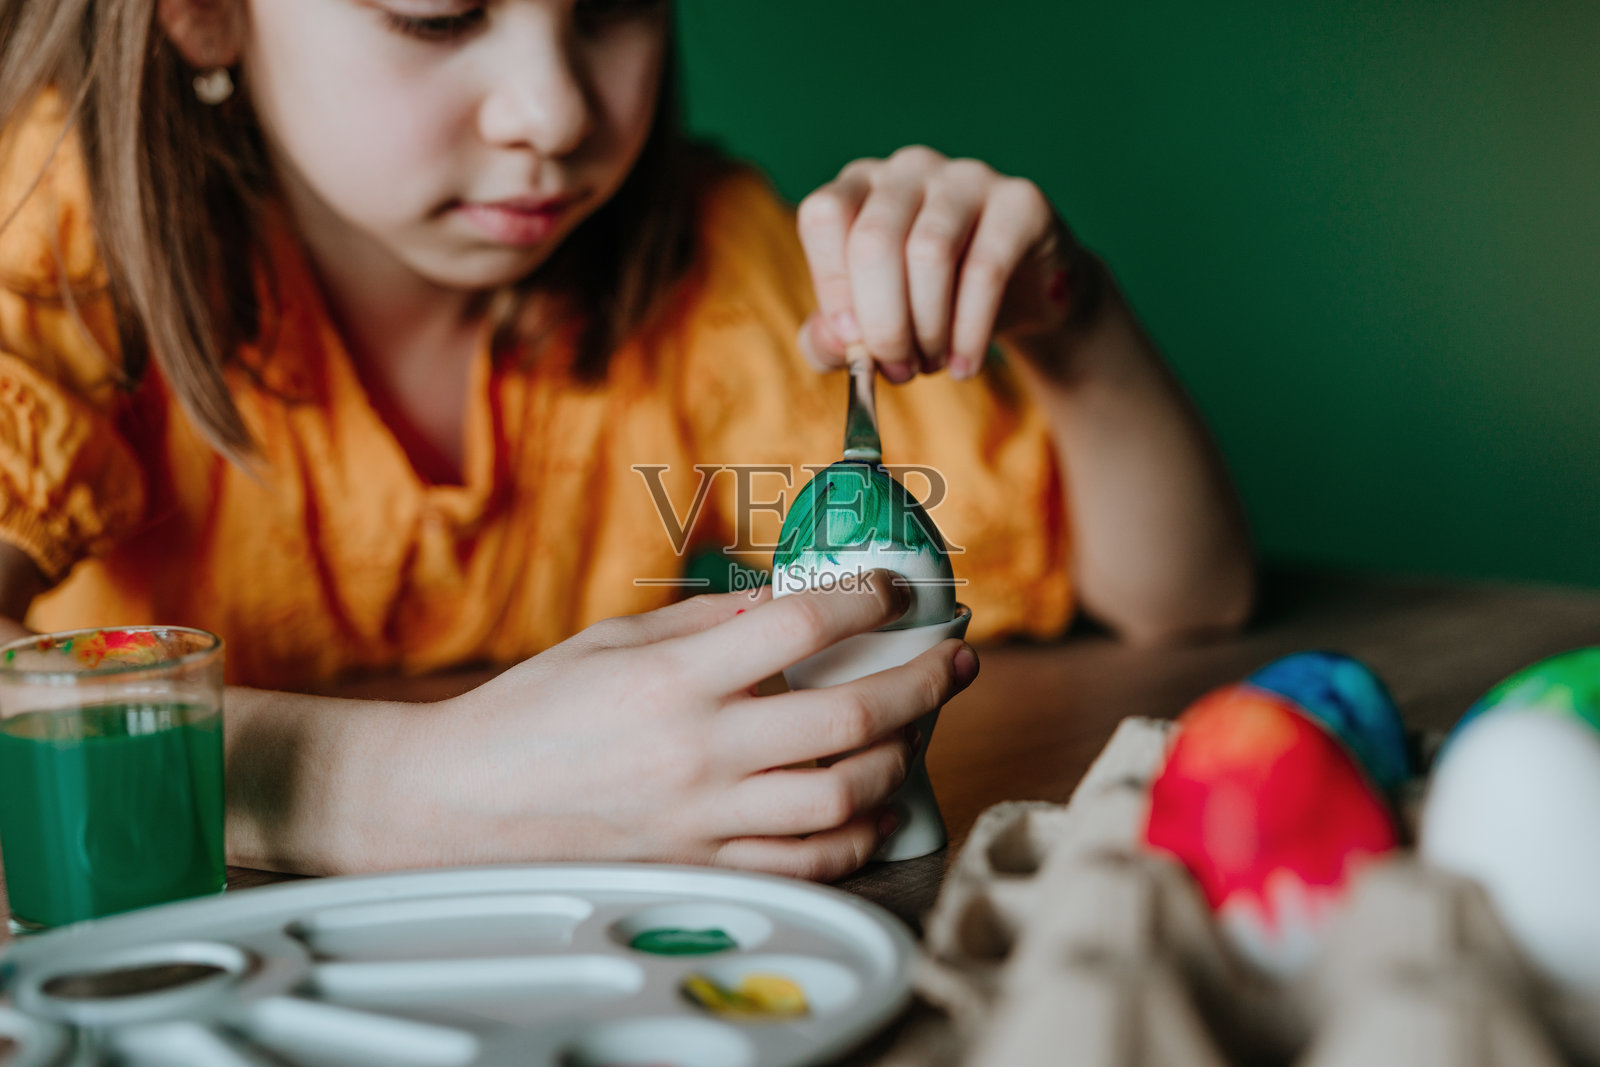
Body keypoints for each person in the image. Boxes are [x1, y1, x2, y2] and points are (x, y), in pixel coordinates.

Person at [0, 0, 1253, 882]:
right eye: (437, 15)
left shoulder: (716, 275)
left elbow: (1181, 592)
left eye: (612, 4)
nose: (553, 109)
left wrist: (1064, 318)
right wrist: (402, 790)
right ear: (202, 11)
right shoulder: (60, 237)